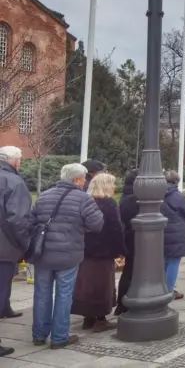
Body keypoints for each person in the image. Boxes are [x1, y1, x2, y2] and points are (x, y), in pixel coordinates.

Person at [28, 163, 104, 349]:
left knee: (41, 294)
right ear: (77, 180)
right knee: (64, 294)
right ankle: (59, 337)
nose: (86, 181)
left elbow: (31, 221)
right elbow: (97, 224)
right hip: (69, 254)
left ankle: (39, 335)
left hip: (43, 254)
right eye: (84, 178)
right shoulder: (83, 199)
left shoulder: (44, 196)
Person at [72, 173, 126, 332]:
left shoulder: (85, 201)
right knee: (103, 284)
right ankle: (101, 319)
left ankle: (87, 317)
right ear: (106, 186)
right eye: (113, 184)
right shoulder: (109, 203)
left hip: (84, 250)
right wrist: (121, 250)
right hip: (103, 251)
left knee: (85, 283)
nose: (115, 187)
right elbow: (116, 228)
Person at [0, 147, 31, 357]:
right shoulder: (13, 182)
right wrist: (25, 244)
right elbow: (17, 219)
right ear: (15, 162)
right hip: (4, 248)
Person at [161, 171, 185, 300]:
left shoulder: (157, 194)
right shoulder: (177, 195)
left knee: (164, 261)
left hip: (162, 229)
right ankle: (169, 290)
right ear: (176, 181)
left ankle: (161, 288)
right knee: (174, 261)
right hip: (177, 231)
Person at [116, 169, 139, 315]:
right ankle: (124, 302)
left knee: (129, 271)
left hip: (129, 237)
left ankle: (122, 302)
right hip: (135, 238)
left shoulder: (126, 195)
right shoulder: (133, 198)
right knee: (131, 271)